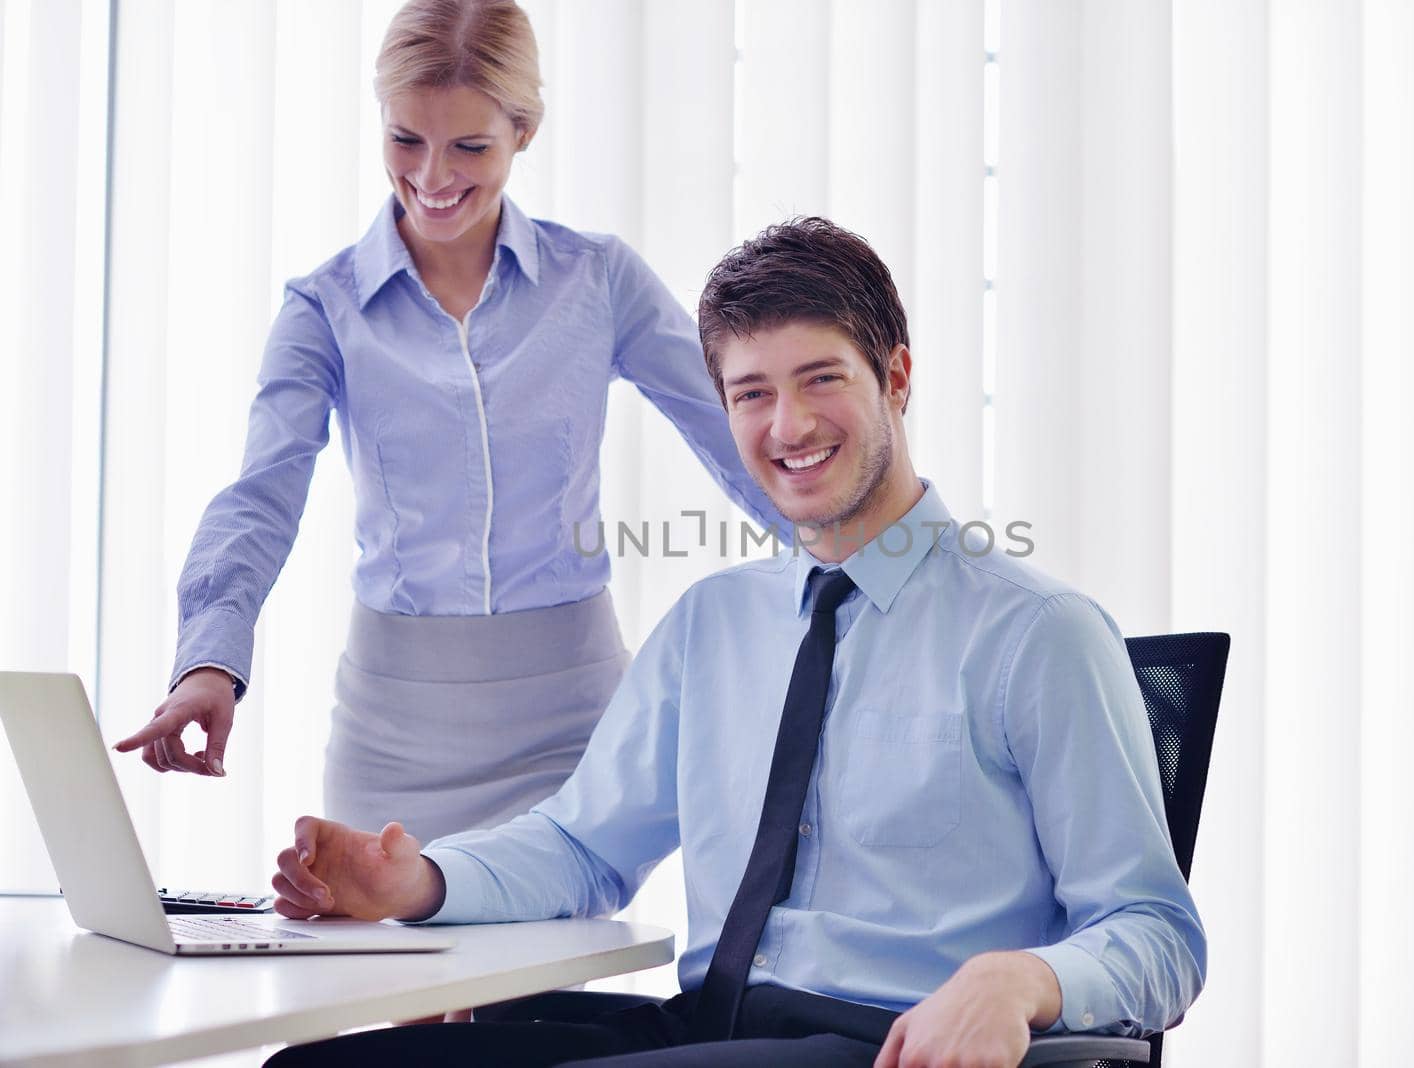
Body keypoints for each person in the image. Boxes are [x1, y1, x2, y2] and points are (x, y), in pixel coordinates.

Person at [263, 218, 1205, 1067]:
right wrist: (417, 879)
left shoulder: (1036, 635)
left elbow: (1158, 934)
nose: (786, 427)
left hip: (882, 1045)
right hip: (708, 1028)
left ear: (899, 378)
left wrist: (1019, 982)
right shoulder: (711, 624)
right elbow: (581, 846)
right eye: (751, 393)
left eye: (821, 379)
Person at [112, 0, 783, 845]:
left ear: (523, 132)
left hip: (572, 726)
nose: (432, 177)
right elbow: (262, 494)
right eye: (405, 141)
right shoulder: (325, 308)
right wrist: (209, 659)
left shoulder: (599, 281)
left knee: (548, 971)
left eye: (470, 146)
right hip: (391, 734)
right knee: (391, 971)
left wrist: (864, 563)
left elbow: (736, 438)